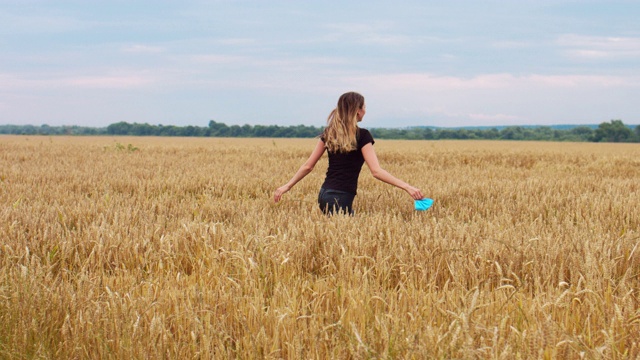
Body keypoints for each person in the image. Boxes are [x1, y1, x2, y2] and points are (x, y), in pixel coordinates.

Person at [273, 91, 424, 215]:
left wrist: (287, 186)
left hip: (325, 194)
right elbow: (376, 171)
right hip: (341, 197)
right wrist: (407, 187)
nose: (365, 110)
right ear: (358, 111)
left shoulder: (330, 133)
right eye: (364, 107)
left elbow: (308, 166)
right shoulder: (363, 135)